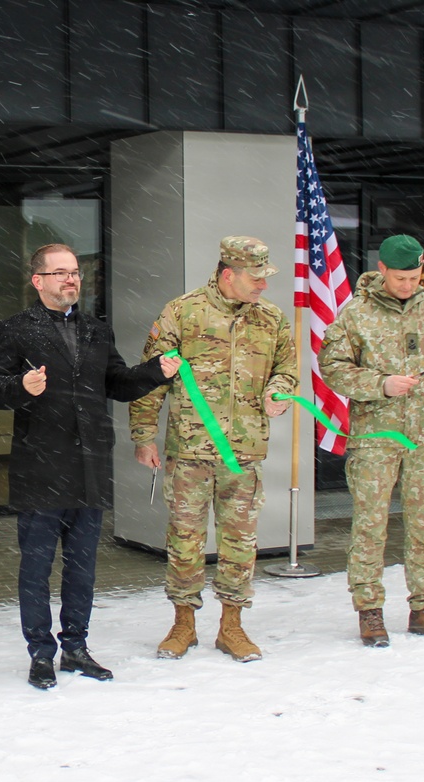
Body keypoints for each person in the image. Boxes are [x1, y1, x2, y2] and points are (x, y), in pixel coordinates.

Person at [0, 243, 178, 690]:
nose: (71, 280)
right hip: (40, 466)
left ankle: (75, 646)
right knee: (36, 567)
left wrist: (155, 371)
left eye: (75, 273)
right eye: (61, 273)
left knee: (82, 565)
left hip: (89, 465)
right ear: (39, 281)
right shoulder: (14, 330)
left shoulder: (96, 331)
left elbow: (118, 384)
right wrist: (21, 385)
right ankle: (41, 653)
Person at [130, 236, 297, 663]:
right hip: (190, 452)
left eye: (264, 277)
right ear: (229, 274)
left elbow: (287, 369)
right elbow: (152, 376)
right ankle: (183, 623)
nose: (262, 285)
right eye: (255, 278)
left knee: (240, 542)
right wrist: (143, 435)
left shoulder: (272, 319)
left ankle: (232, 626)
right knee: (185, 540)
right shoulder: (182, 312)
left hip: (243, 454)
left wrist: (279, 391)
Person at [318, 234, 424, 647]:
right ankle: (369, 610)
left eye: (415, 277)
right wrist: (380, 384)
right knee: (370, 527)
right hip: (374, 437)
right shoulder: (357, 315)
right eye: (401, 278)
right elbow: (331, 367)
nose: (409, 285)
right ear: (382, 269)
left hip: (423, 436)